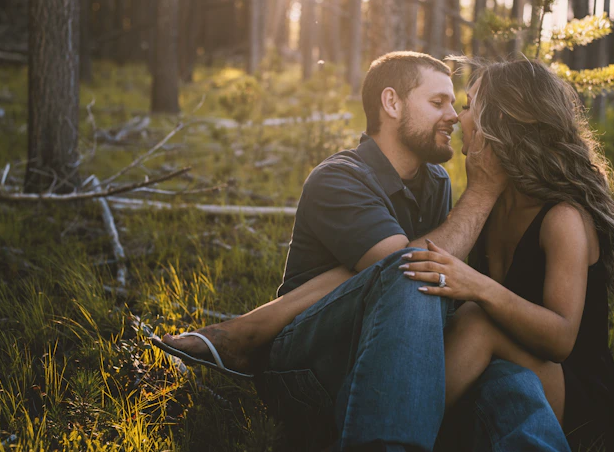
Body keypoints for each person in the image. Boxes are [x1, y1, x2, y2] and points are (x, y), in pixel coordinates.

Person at [152, 52, 569, 451]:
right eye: (438, 101)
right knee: (413, 273)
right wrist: (482, 191)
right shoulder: (338, 178)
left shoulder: (436, 183)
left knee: (506, 379)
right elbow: (407, 267)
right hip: (308, 367)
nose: (454, 117)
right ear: (391, 102)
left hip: (394, 365)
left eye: (455, 103)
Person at [405, 57, 614, 451]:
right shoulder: (489, 201)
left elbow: (561, 340)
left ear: (502, 122)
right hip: (506, 370)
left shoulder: (562, 218)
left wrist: (478, 288)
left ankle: (396, 431)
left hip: (573, 390)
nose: (459, 117)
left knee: (477, 320)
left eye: (470, 105)